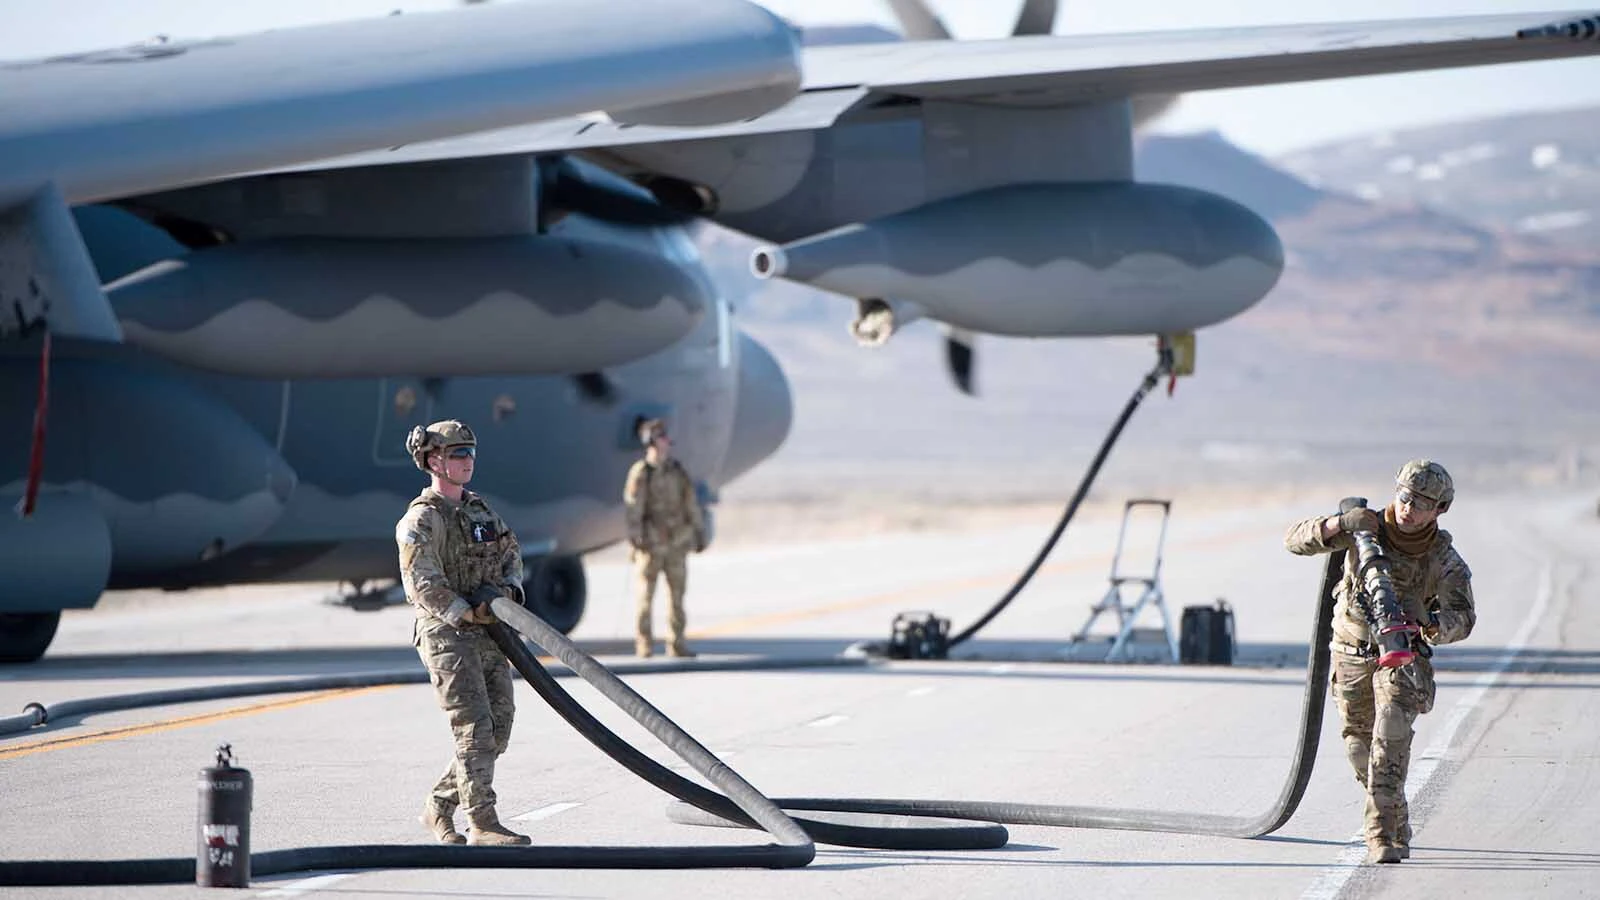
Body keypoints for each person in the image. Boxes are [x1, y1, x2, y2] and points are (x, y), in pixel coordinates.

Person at [1284, 459, 1476, 864]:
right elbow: (1294, 540)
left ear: (1440, 510)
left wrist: (1430, 622)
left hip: (1402, 657)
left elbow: (1464, 617)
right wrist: (1337, 524)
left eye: (1422, 503)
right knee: (1359, 745)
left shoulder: (1443, 558)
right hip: (1352, 651)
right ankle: (1395, 814)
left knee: (1388, 742)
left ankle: (1382, 836)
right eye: (1405, 497)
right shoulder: (1365, 530)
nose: (1409, 509)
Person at [396, 419, 530, 847]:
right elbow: (422, 582)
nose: (467, 461)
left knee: (499, 728)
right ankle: (483, 822)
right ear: (433, 461)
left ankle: (438, 806)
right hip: (448, 635)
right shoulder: (420, 521)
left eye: (470, 453)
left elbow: (510, 551)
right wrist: (464, 611)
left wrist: (509, 590)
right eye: (457, 454)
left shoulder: (480, 510)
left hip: (490, 631)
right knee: (474, 728)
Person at [624, 418, 707, 658]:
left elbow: (690, 503)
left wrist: (698, 531)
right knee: (645, 598)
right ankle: (644, 643)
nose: (666, 442)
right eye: (661, 437)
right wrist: (636, 537)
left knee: (677, 596)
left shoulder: (677, 471)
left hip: (676, 543)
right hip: (650, 545)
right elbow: (634, 509)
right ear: (650, 442)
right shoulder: (642, 474)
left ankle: (677, 643)